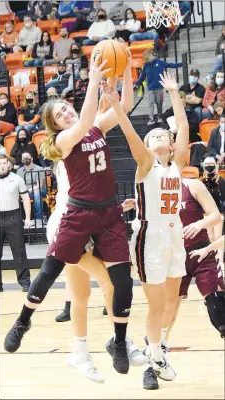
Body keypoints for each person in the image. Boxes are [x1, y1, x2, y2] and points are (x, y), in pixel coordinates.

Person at [4, 56, 135, 377]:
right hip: (73, 217)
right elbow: (86, 115)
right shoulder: (65, 140)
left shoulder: (93, 126)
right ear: (54, 125)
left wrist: (126, 69)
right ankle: (24, 321)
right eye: (59, 111)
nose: (66, 110)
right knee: (84, 280)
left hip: (102, 215)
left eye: (66, 106)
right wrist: (92, 81)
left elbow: (124, 106)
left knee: (86, 292)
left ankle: (99, 346)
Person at [102, 71, 189, 389]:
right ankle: (154, 356)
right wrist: (117, 106)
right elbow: (130, 136)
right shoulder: (144, 163)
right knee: (155, 304)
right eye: (151, 137)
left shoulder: (177, 163)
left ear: (169, 141)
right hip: (150, 236)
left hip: (175, 233)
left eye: (160, 136)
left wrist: (175, 93)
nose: (155, 139)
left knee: (170, 301)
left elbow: (184, 127)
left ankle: (156, 348)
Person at [48, 160, 147, 381]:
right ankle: (118, 341)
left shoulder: (88, 161)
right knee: (109, 283)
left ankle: (81, 352)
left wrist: (118, 207)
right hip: (70, 228)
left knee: (80, 295)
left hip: (87, 226)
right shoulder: (71, 158)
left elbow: (94, 200)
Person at [162, 178, 225, 346]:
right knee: (170, 307)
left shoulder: (192, 186)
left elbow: (216, 216)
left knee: (217, 306)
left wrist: (199, 224)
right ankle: (158, 350)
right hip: (173, 256)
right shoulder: (154, 187)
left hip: (200, 253)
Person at [0, 154, 31, 293]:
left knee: (19, 252)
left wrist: (28, 218)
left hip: (13, 216)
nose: (2, 166)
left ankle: (25, 282)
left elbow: (25, 198)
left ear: (9, 164)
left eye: (4, 163)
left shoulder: (17, 178)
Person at [134, 49, 182, 125]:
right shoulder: (146, 65)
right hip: (150, 89)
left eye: (148, 58)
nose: (147, 60)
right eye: (146, 59)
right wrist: (136, 83)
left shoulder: (160, 62)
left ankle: (159, 117)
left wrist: (181, 64)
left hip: (159, 88)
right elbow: (142, 76)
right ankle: (151, 118)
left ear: (152, 55)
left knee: (159, 103)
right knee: (151, 103)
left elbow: (170, 65)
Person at [201, 155, 225, 264]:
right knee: (210, 237)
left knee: (218, 237)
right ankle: (213, 261)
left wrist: (223, 213)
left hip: (218, 213)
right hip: (206, 214)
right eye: (207, 165)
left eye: (211, 165)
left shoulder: (220, 180)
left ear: (215, 166)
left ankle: (220, 261)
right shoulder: (201, 181)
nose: (209, 167)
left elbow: (223, 198)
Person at [17, 152, 46, 225]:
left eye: (27, 157)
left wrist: (26, 191)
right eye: (23, 158)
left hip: (38, 190)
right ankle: (18, 219)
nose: (25, 159)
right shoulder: (19, 171)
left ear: (32, 158)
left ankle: (39, 218)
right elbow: (18, 185)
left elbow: (39, 185)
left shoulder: (38, 169)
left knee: (37, 192)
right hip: (24, 192)